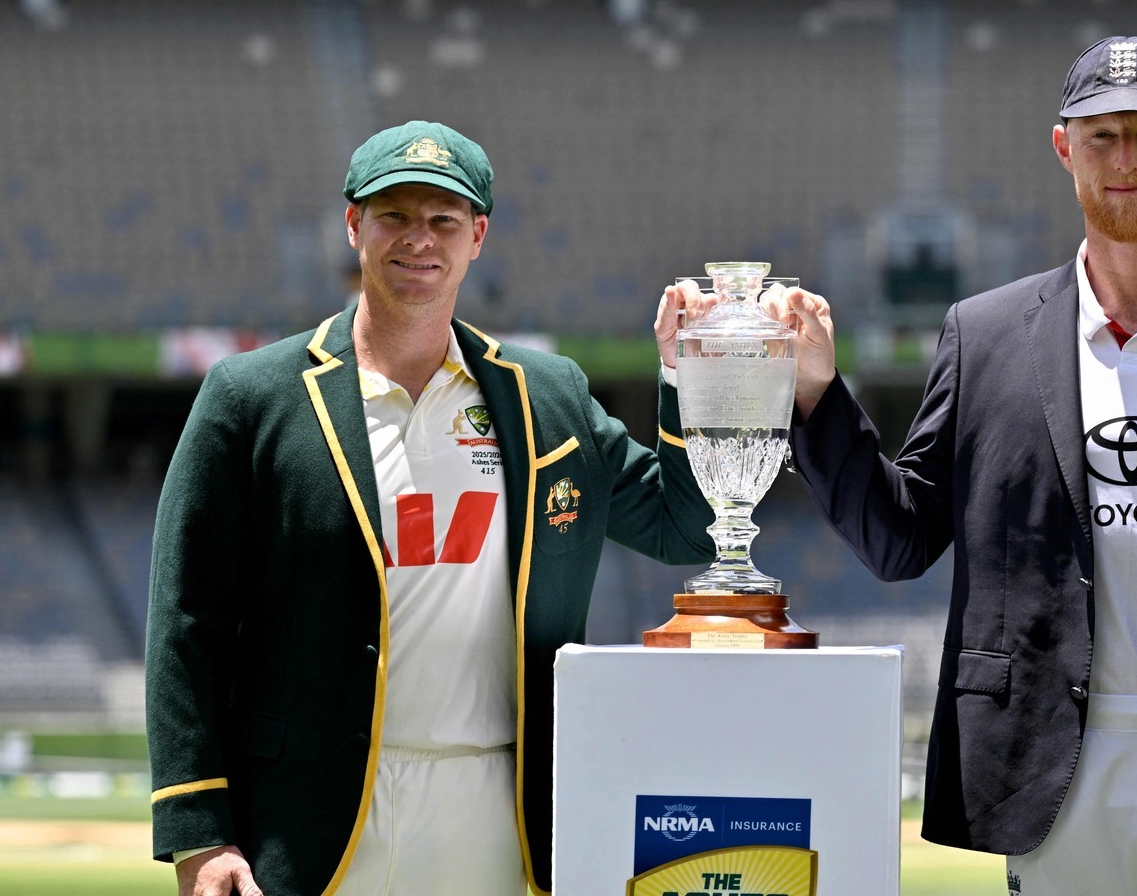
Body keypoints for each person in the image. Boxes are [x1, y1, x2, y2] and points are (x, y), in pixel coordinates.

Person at [766, 37, 1137, 895]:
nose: (1126, 160)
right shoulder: (984, 336)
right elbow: (901, 539)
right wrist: (817, 396)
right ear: (1064, 148)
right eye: (1101, 137)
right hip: (1055, 776)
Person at [146, 120, 714, 896]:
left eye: (444, 219)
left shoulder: (549, 396)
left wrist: (688, 377)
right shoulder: (250, 396)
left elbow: (687, 527)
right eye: (395, 216)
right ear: (354, 226)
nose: (420, 239)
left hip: (497, 809)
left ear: (477, 236)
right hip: (306, 815)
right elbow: (187, 620)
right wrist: (198, 834)